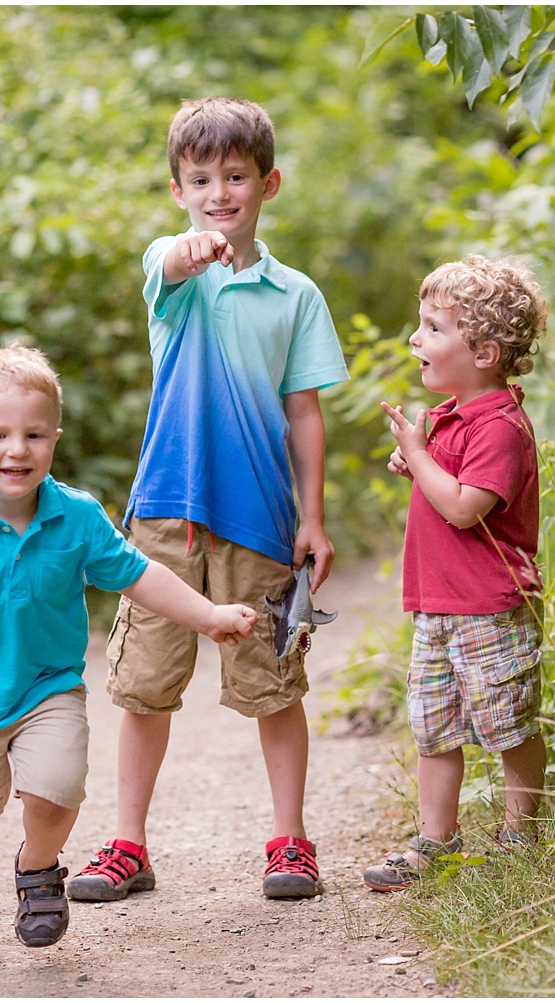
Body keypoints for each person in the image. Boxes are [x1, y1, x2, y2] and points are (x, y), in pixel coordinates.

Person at [0, 346, 258, 963]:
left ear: (55, 439)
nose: (18, 450)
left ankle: (37, 868)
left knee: (58, 789)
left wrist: (209, 615)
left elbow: (139, 575)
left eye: (35, 434)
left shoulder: (76, 516)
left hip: (48, 686)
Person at [67, 96, 349, 903]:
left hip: (259, 517)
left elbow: (304, 411)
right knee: (143, 685)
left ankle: (291, 841)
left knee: (273, 684)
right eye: (201, 178)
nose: (220, 191)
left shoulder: (295, 295)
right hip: (164, 512)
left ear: (271, 183)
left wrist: (314, 517)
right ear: (177, 188)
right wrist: (194, 248)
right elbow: (177, 260)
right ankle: (128, 844)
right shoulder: (172, 270)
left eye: (236, 176)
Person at [361, 255, 549, 892]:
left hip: (490, 606)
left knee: (507, 722)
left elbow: (467, 509)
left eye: (433, 328)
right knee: (433, 726)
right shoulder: (448, 415)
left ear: (487, 352)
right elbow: (446, 485)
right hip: (437, 606)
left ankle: (526, 830)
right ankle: (435, 842)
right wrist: (418, 460)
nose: (416, 339)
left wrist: (419, 457)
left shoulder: (501, 428)